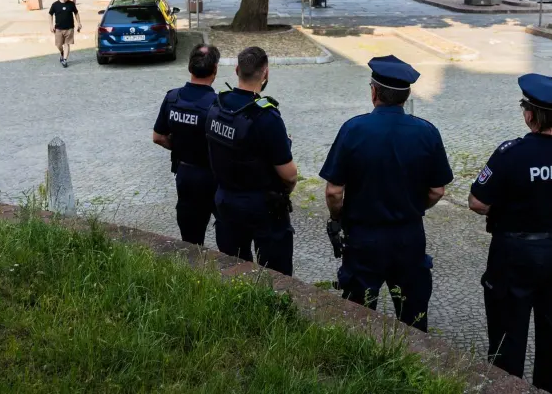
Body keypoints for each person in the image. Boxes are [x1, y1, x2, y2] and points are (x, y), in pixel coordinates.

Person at [468, 74, 552, 394]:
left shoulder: (511, 153)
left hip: (517, 254)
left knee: (507, 337)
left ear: (530, 115)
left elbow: (477, 202)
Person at [319, 55, 452, 332]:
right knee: (413, 317)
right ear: (406, 96)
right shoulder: (427, 132)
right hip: (408, 235)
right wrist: (415, 207)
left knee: (357, 314)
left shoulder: (353, 129)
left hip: (364, 236)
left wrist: (338, 216)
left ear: (374, 92)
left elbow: (334, 191)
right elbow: (437, 190)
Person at [206, 46, 299, 275]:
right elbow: (290, 175)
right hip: (262, 207)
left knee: (234, 271)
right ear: (265, 74)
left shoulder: (217, 106)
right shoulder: (266, 116)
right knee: (276, 275)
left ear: (237, 69)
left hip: (226, 201)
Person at [153, 44, 222, 245]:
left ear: (190, 68)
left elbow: (158, 137)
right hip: (214, 177)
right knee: (228, 237)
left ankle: (194, 272)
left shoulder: (173, 98)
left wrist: (181, 146)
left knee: (191, 241)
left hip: (185, 175)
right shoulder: (217, 105)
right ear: (215, 70)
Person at [48, 0, 82, 68]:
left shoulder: (71, 4)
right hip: (58, 29)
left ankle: (64, 60)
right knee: (59, 45)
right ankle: (62, 52)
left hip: (69, 28)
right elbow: (50, 14)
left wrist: (79, 23)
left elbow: (76, 13)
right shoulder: (55, 5)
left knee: (67, 44)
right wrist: (51, 25)